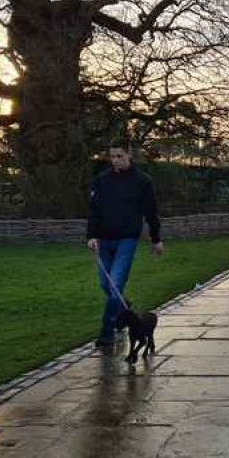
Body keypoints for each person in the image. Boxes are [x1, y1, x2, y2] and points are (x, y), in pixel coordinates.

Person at [87, 140, 164, 349]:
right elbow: (94, 211)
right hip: (103, 239)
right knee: (106, 284)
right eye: (112, 156)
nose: (115, 160)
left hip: (127, 240)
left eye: (119, 156)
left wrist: (156, 239)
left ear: (129, 155)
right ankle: (124, 307)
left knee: (115, 284)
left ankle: (107, 332)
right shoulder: (101, 181)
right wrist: (91, 236)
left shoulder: (142, 181)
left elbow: (151, 212)